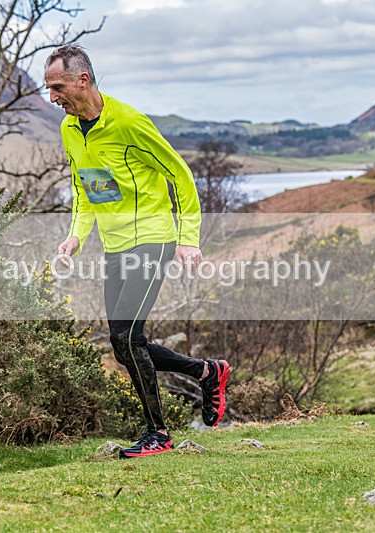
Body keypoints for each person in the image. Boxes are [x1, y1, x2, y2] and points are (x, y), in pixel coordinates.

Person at [44, 44, 231, 459]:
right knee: (123, 343)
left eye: (57, 87)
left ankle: (158, 434)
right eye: (49, 90)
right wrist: (76, 236)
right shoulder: (70, 130)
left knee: (128, 335)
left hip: (152, 237)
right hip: (115, 246)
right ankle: (207, 372)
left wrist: (187, 238)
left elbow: (181, 177)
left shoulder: (129, 122)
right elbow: (85, 189)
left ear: (83, 80)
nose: (53, 97)